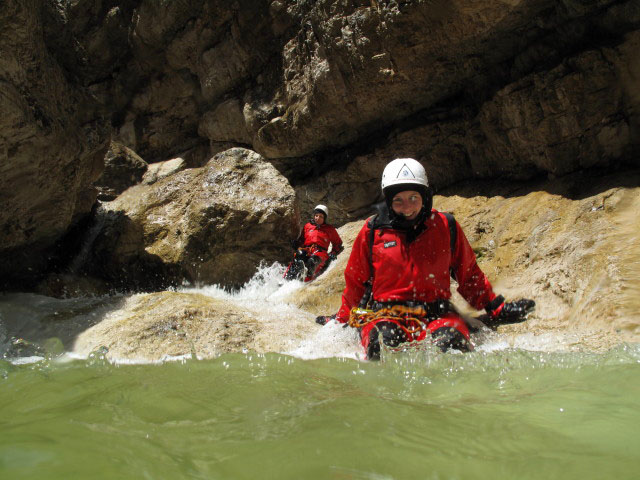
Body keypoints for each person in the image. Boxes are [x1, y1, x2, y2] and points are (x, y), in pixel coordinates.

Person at [326, 158, 534, 360]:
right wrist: (341, 320)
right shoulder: (373, 231)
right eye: (398, 200)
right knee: (382, 346)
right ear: (389, 201)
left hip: (437, 316)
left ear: (425, 197)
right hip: (385, 316)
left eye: (413, 198)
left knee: (453, 346)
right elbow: (356, 281)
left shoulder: (446, 226)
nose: (407, 208)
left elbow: (469, 274)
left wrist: (496, 308)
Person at [284, 204, 344, 282]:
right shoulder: (308, 226)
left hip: (320, 252)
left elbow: (338, 244)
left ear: (325, 218)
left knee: (312, 261)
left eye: (321, 216)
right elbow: (302, 240)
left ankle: (304, 282)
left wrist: (333, 252)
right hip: (307, 249)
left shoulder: (330, 229)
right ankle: (287, 279)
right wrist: (296, 244)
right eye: (316, 215)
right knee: (299, 255)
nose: (318, 218)